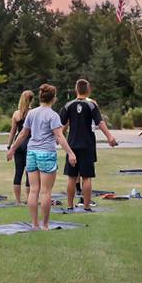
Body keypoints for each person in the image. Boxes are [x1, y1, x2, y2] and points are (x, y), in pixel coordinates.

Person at [6, 83, 77, 231]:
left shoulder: (32, 113)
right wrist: (70, 152)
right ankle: (44, 225)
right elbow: (60, 136)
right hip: (47, 154)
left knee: (33, 190)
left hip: (31, 153)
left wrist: (12, 149)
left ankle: (34, 224)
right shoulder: (53, 115)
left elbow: (23, 134)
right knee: (45, 192)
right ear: (54, 98)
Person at [60, 79, 117, 210]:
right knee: (86, 177)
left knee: (72, 177)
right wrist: (109, 136)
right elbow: (100, 122)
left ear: (76, 90)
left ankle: (69, 206)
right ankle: (86, 206)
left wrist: (60, 136)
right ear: (88, 90)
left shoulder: (68, 105)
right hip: (87, 145)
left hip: (72, 145)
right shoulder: (92, 105)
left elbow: (61, 124)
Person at [7, 90, 34, 206]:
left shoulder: (16, 114)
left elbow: (13, 132)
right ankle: (29, 199)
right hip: (29, 142)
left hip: (18, 143)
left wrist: (9, 146)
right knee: (29, 172)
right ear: (32, 100)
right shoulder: (33, 113)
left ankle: (18, 201)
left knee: (18, 172)